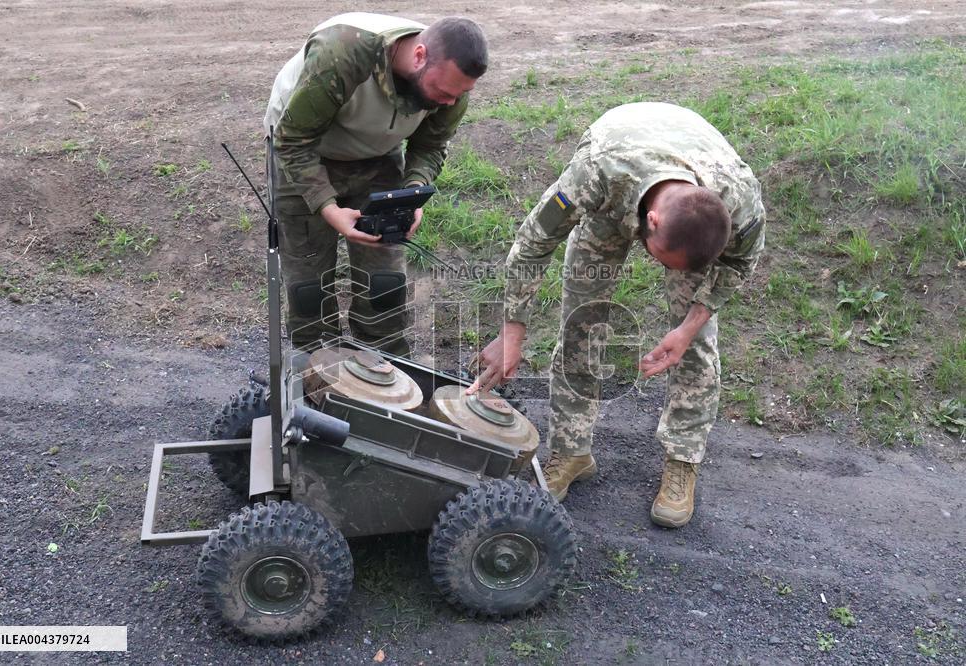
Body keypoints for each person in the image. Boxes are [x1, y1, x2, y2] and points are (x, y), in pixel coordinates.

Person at [468, 102, 765, 528]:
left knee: (696, 343)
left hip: (691, 173)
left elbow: (738, 265)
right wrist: (511, 333)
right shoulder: (596, 173)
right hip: (619, 179)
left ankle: (682, 458)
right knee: (581, 326)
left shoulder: (741, 202)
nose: (665, 272)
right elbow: (534, 243)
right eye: (663, 259)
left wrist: (688, 327)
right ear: (652, 220)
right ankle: (571, 451)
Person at [264, 13, 488, 355]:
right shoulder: (343, 52)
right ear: (419, 56)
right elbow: (293, 141)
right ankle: (317, 370)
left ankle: (386, 368)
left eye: (458, 95)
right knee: (308, 282)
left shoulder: (453, 86)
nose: (450, 103)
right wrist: (327, 206)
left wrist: (412, 192)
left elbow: (430, 146)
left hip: (377, 154)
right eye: (443, 92)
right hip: (304, 150)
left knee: (383, 282)